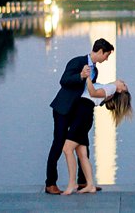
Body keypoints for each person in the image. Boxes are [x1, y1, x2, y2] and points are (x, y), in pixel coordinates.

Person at [45, 38, 114, 195]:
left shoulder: (95, 71)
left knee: (83, 144)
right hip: (63, 109)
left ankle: (84, 182)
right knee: (58, 144)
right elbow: (64, 81)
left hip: (79, 111)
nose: (107, 59)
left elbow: (89, 92)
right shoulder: (77, 62)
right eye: (107, 55)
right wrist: (81, 76)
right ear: (100, 51)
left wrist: (106, 98)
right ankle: (50, 183)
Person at [61, 72, 132, 195]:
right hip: (83, 115)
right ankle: (90, 185)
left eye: (124, 85)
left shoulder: (112, 88)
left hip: (82, 116)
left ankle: (72, 183)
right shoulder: (109, 88)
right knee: (82, 153)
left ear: (120, 91)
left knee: (67, 149)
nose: (123, 82)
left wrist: (87, 76)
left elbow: (93, 93)